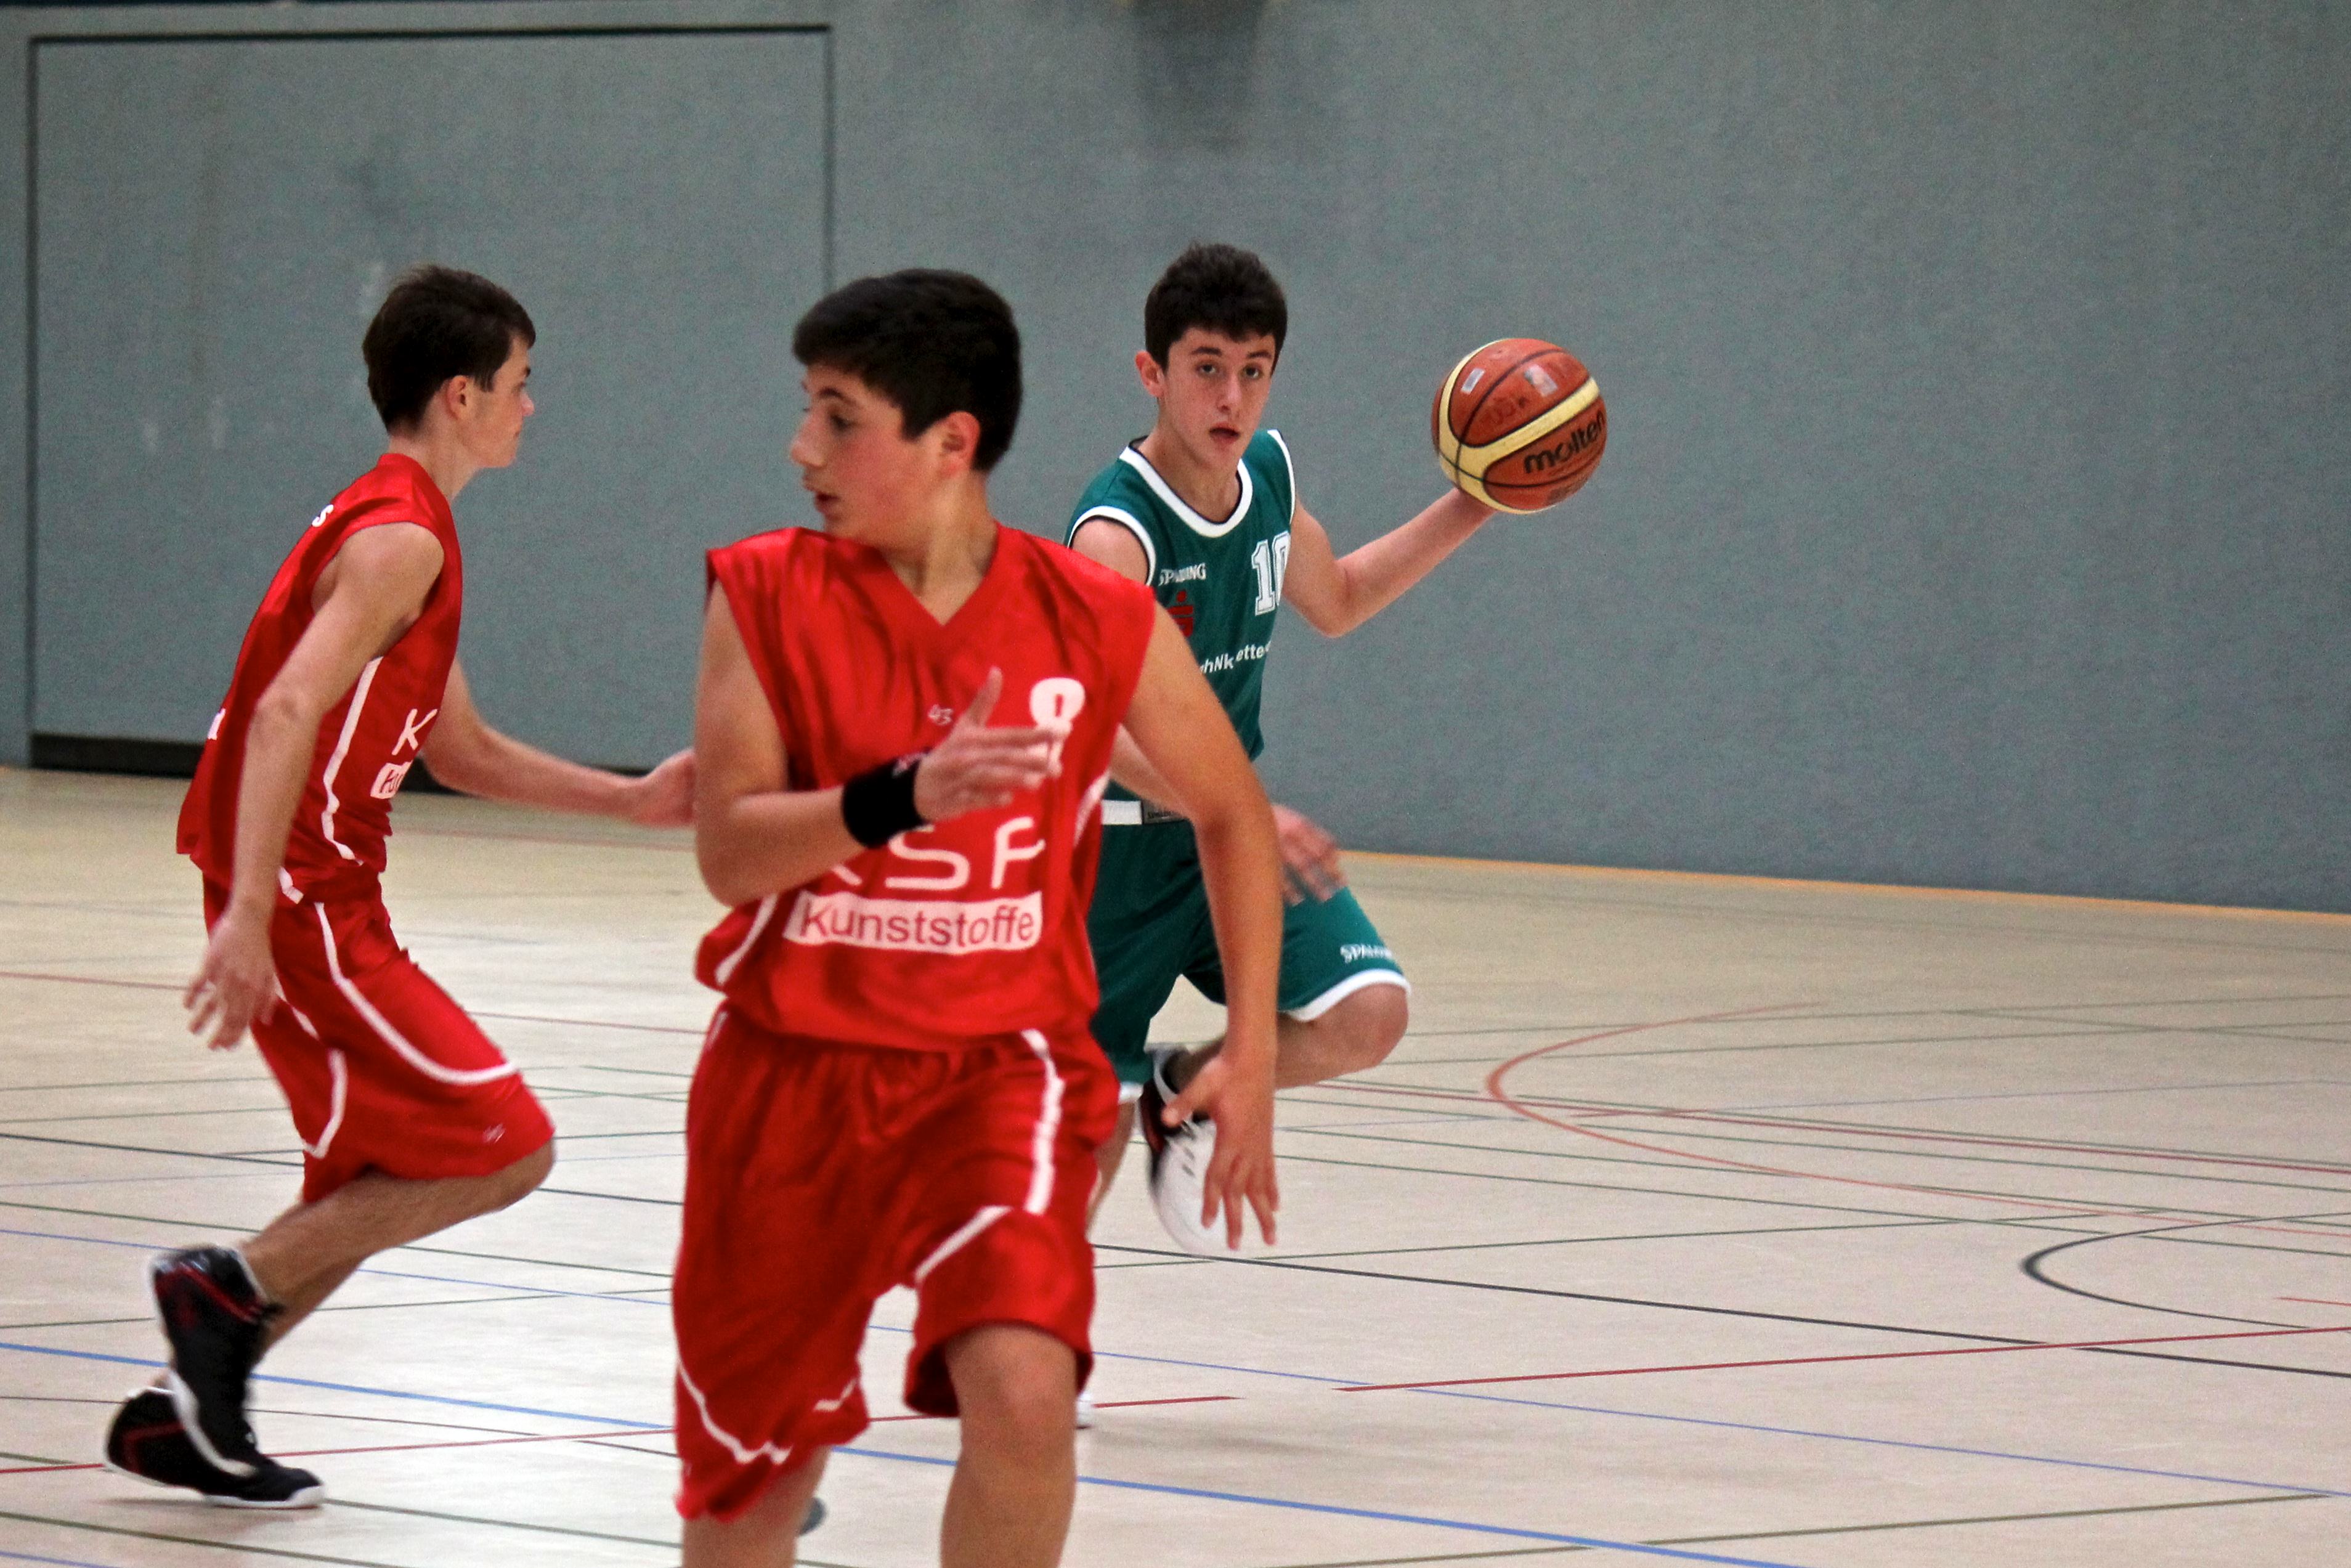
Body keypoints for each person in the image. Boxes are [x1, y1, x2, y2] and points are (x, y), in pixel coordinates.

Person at [673, 269, 1281, 1567]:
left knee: (1025, 1391)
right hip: (793, 1076)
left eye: (839, 418)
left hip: (1001, 1072)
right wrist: (901, 796)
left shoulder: (1092, 612)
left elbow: (1234, 811)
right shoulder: (763, 593)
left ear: (951, 441)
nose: (802, 449)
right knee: (757, 1486)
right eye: (808, 411)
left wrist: (1255, 1057)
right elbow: (731, 852)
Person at [103, 265, 694, 1508]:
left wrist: (632, 800)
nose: (533, 405)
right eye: (522, 383)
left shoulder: (410, 524)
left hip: (315, 890)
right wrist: (253, 913)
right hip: (305, 896)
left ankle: (181, 1412)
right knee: (509, 1145)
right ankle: (222, 1287)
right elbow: (284, 711)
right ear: (461, 394)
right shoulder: (401, 537)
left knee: (364, 1179)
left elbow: (457, 749)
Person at [1068, 242, 1529, 1258]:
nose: (1231, 396)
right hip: (1114, 859)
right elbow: (1094, 730)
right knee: (1077, 1163)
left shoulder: (1268, 475)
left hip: (1223, 837)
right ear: (1152, 373)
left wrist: (1478, 499)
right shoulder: (1116, 536)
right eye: (1206, 367)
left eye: (1254, 369)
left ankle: (1187, 1082)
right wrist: (1229, 805)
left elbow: (1341, 597)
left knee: (1369, 1012)